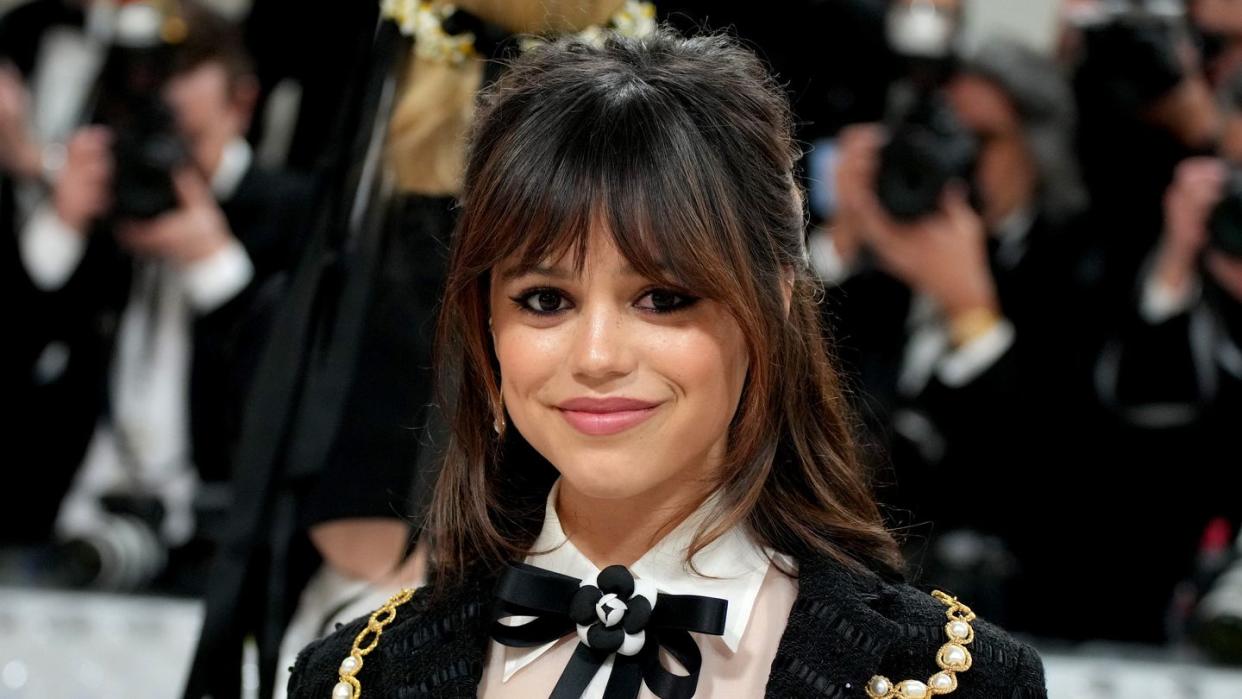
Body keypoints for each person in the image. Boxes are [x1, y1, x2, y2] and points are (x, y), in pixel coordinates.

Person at [286, 29, 1047, 699]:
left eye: (662, 297)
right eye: (546, 300)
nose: (596, 357)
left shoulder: (952, 678)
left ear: (775, 300)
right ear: (484, 321)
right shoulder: (355, 675)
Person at [11, 2, 309, 586]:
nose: (163, 167)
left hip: (212, 542)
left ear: (241, 104)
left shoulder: (291, 215)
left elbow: (292, 404)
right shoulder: (101, 202)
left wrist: (216, 269)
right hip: (64, 523)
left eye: (185, 140)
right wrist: (61, 225)